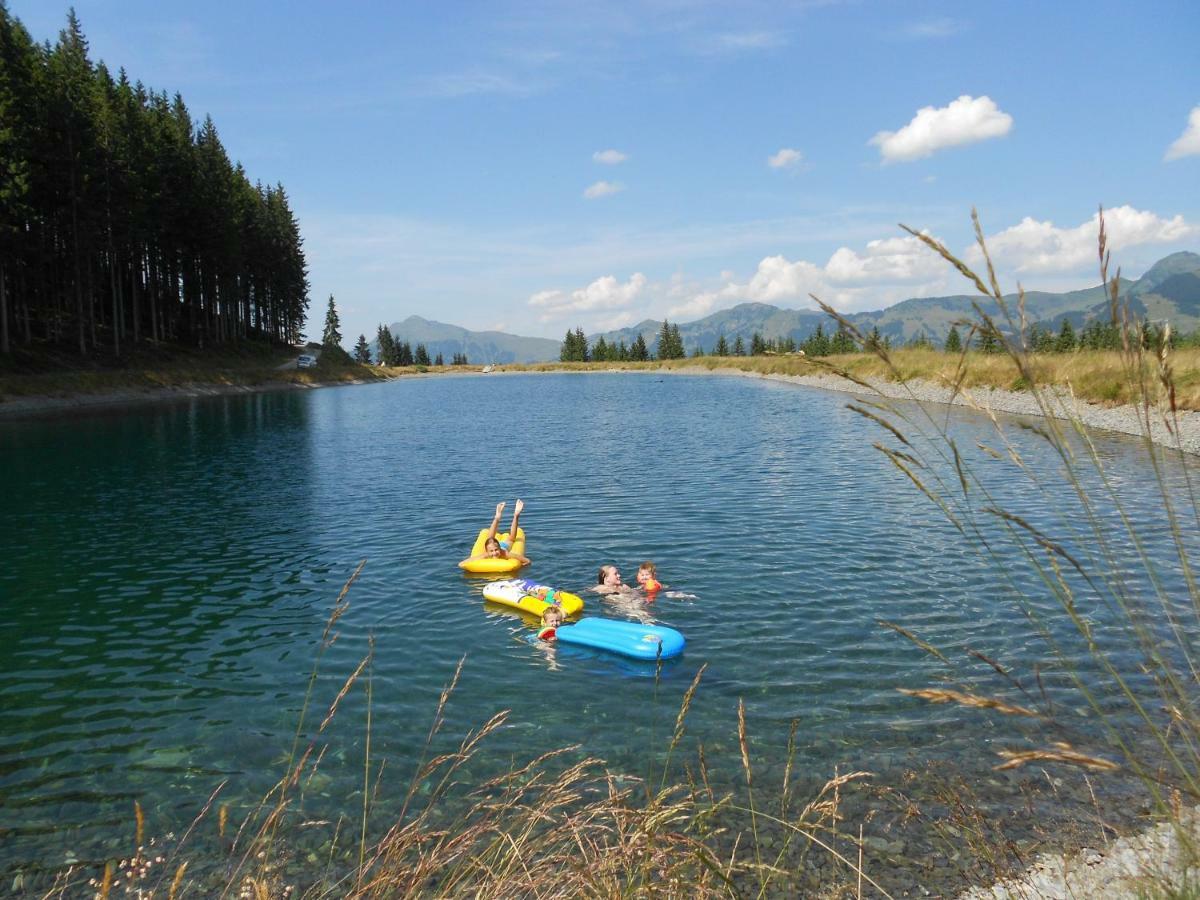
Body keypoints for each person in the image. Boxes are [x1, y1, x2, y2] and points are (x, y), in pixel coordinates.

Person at [460, 500, 530, 566]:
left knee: (511, 539)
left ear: (499, 549)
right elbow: (461, 564)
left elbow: (527, 560)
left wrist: (521, 565)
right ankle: (497, 517)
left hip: (504, 546)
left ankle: (516, 515)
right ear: (487, 551)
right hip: (493, 546)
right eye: (491, 551)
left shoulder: (504, 553)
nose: (494, 553)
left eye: (496, 550)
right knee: (489, 539)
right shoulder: (485, 555)